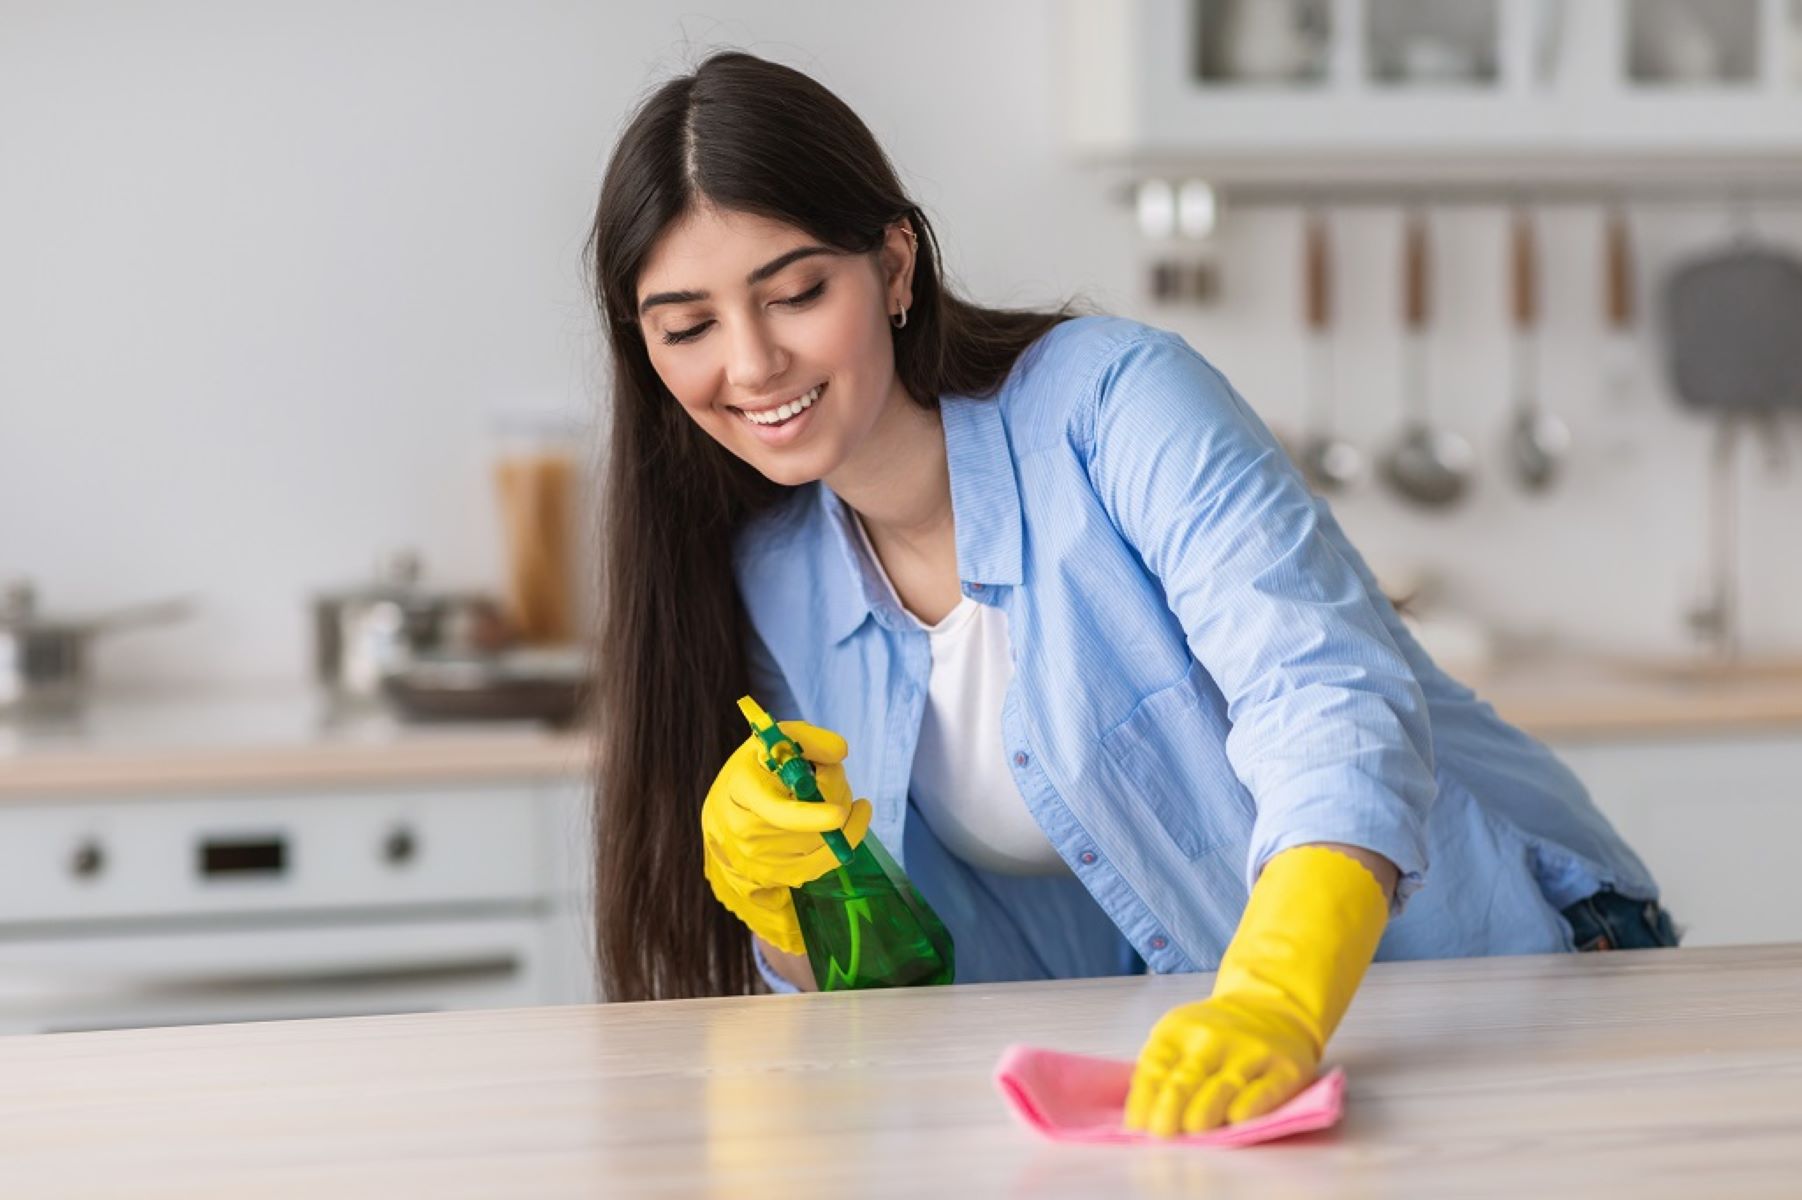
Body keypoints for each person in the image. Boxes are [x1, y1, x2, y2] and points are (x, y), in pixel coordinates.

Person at [586, 51, 1676, 1137]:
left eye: (793, 295)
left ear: (895, 264)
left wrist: (1273, 996)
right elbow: (902, 998)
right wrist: (789, 915)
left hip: (1499, 979)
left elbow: (1326, 699)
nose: (751, 363)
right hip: (1214, 1074)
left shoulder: (1114, 404)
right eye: (687, 329)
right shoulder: (771, 578)